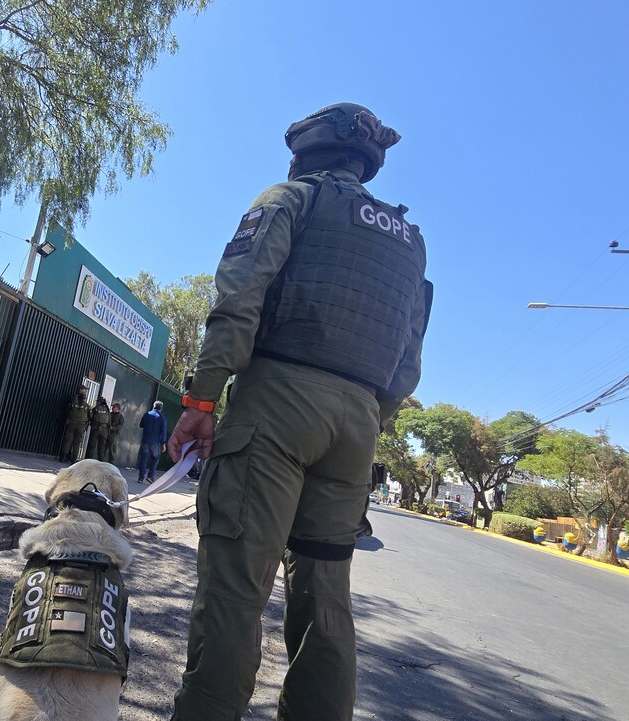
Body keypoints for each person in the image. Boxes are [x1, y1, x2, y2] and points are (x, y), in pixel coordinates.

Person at [165, 103, 432, 721]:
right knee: (326, 598)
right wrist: (366, 413)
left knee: (237, 587)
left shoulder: (291, 198)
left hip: (276, 410)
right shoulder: (411, 242)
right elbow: (409, 361)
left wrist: (202, 399)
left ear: (306, 150)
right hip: (358, 424)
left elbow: (239, 299)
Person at [58, 387, 92, 463]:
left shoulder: (73, 403)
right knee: (77, 442)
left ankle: (63, 457)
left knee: (68, 440)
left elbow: (68, 410)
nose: (85, 391)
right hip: (81, 426)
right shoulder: (87, 406)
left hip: (71, 423)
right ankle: (73, 459)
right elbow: (90, 416)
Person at [138, 400, 167, 483]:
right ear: (161, 408)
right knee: (155, 458)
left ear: (153, 406)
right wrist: (164, 443)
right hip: (155, 442)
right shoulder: (162, 418)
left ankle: (140, 478)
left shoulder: (147, 414)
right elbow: (163, 431)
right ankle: (150, 476)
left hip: (145, 440)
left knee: (143, 458)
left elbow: (141, 425)